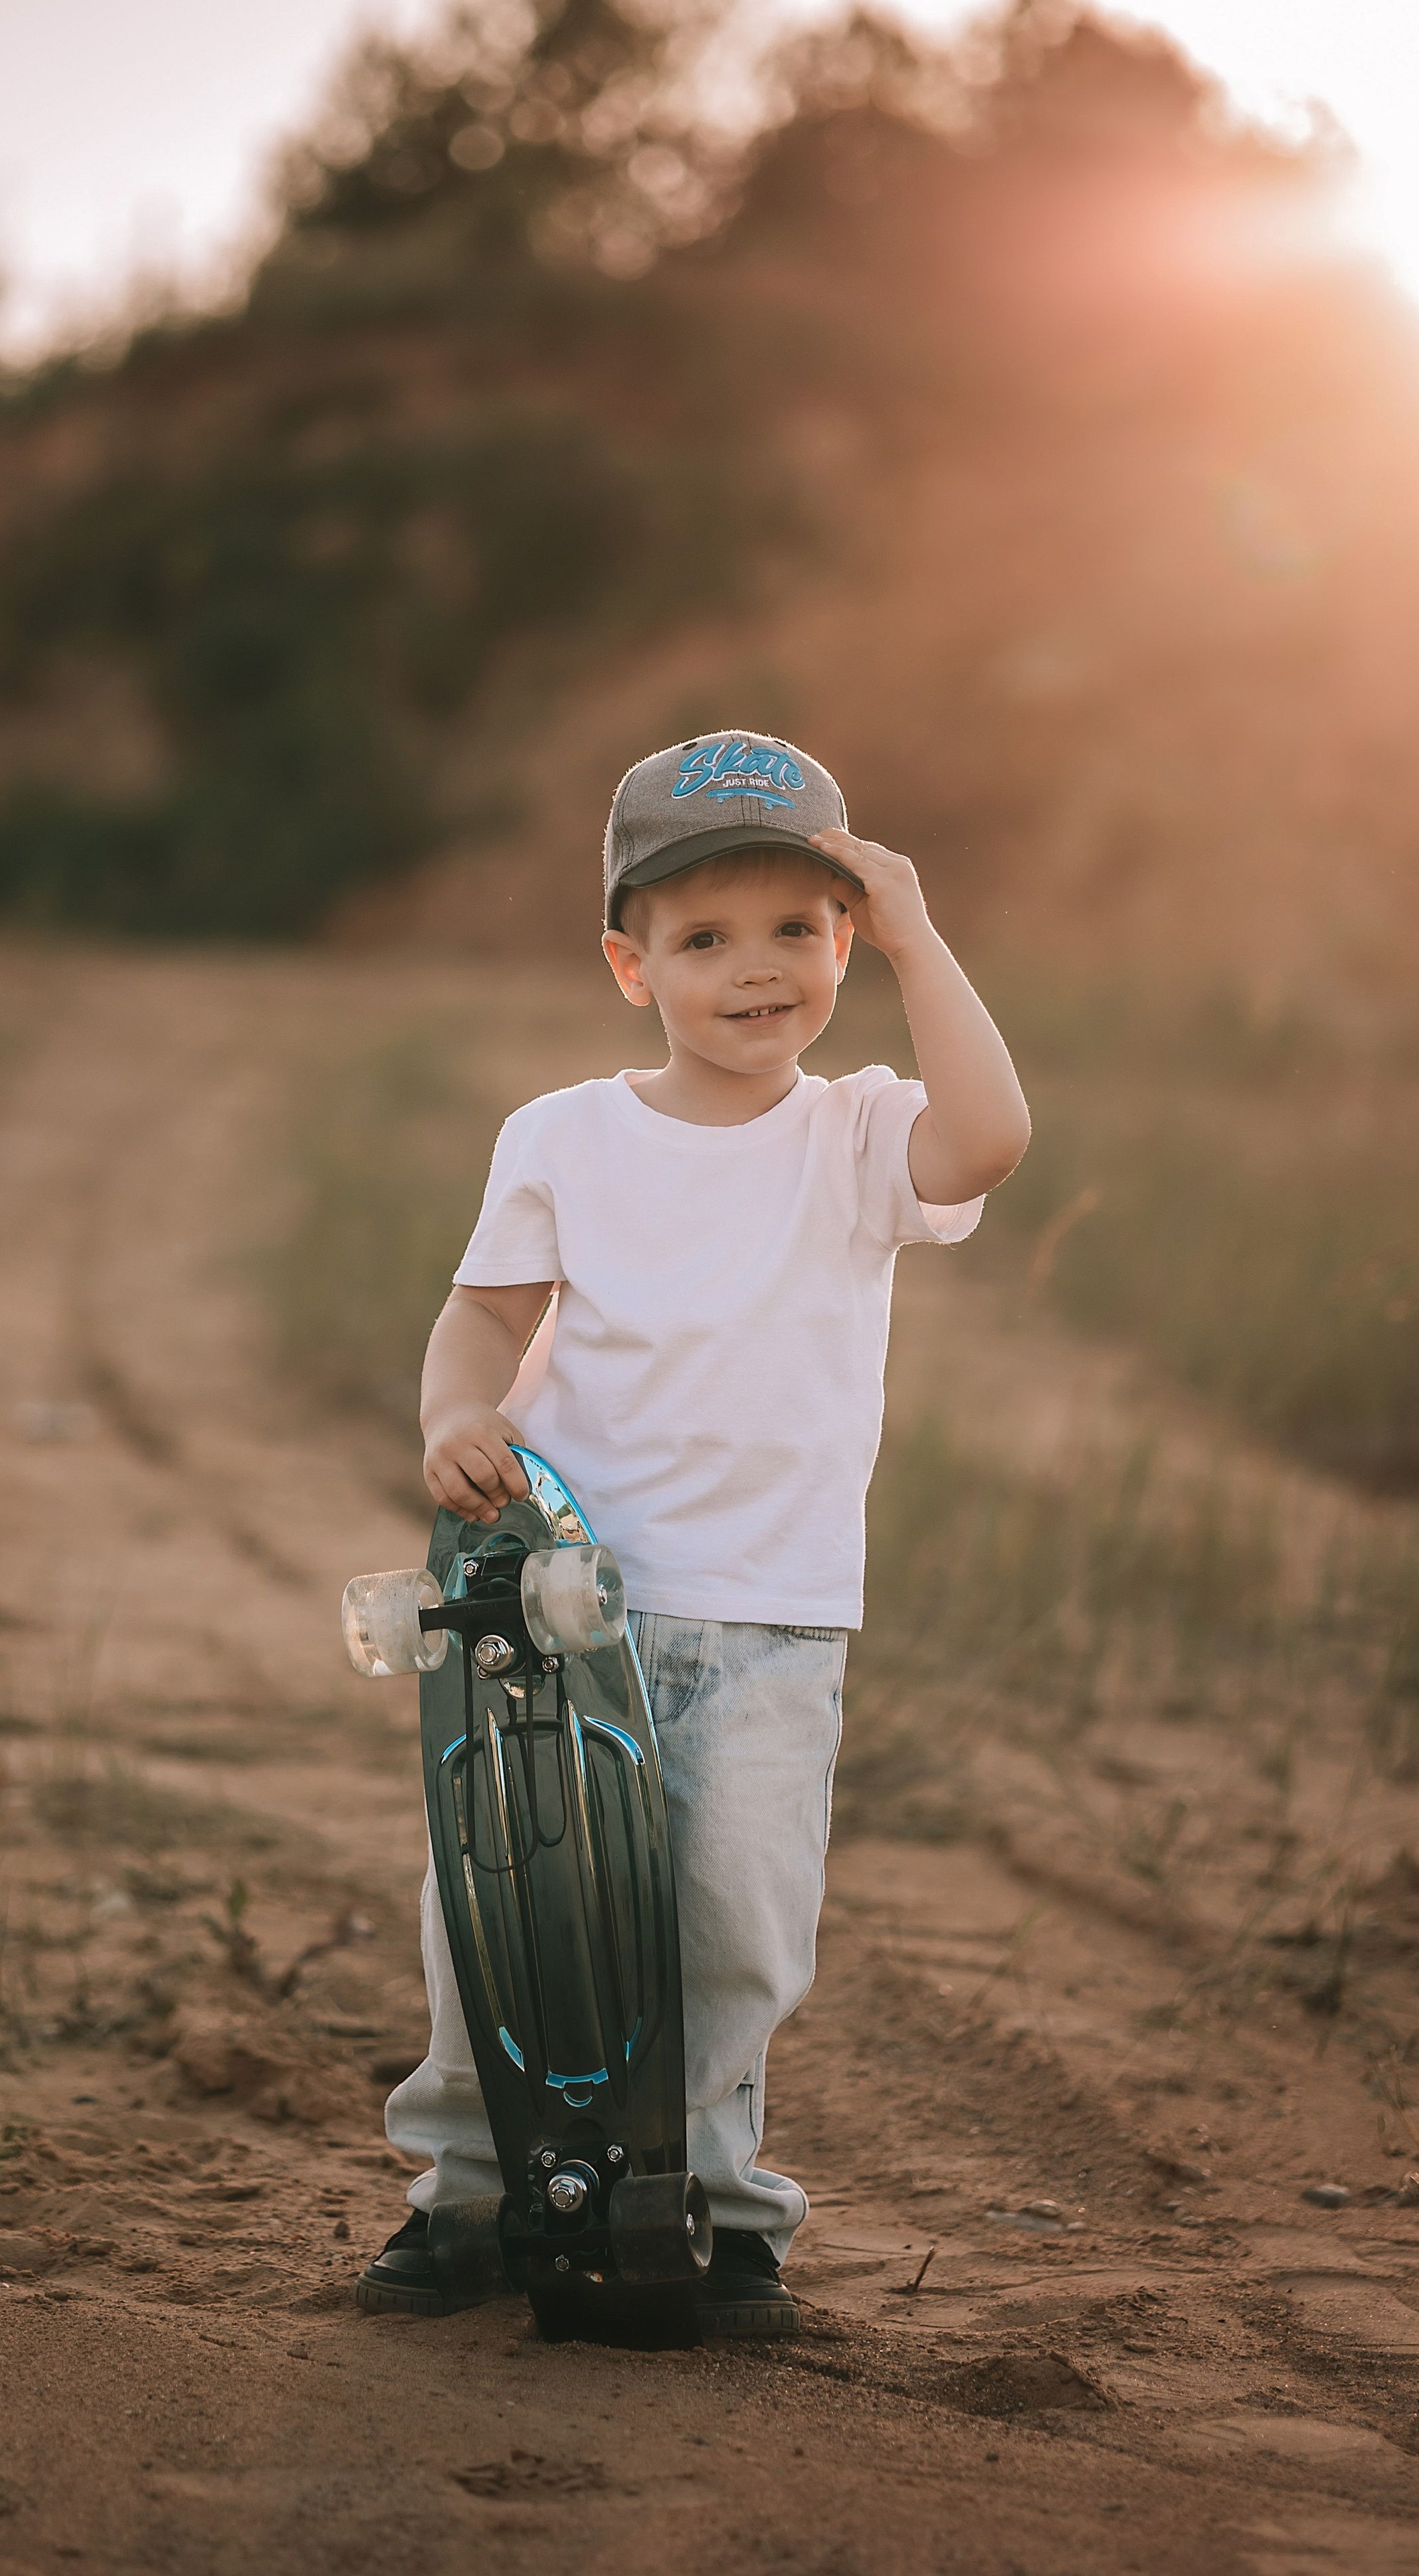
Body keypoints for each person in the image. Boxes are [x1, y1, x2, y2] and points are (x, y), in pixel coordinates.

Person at [357, 731, 1030, 2334]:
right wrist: (457, 1416)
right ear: (627, 963)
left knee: (731, 1925)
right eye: (702, 937)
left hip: (766, 1615)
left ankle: (712, 2213)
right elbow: (481, 1316)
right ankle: (464, 2196)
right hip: (556, 1607)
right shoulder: (563, 1137)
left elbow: (989, 1140)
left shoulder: (862, 1134)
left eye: (797, 929)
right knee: (502, 1911)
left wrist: (926, 932)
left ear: (848, 944)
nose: (754, 972)